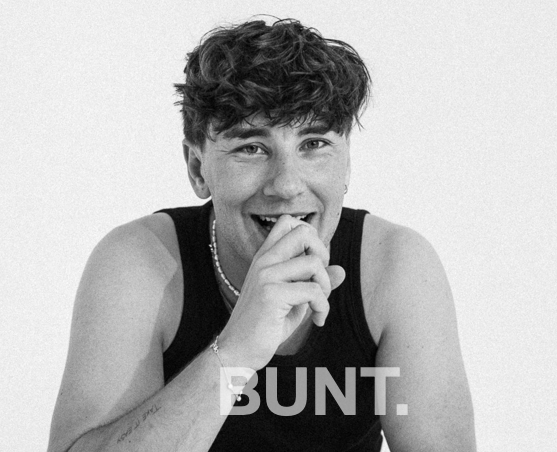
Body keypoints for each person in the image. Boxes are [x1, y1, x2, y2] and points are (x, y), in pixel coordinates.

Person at [48, 18, 475, 452]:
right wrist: (235, 353)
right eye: (251, 148)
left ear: (346, 163)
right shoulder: (140, 264)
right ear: (197, 169)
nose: (287, 185)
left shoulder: (396, 268)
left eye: (314, 144)